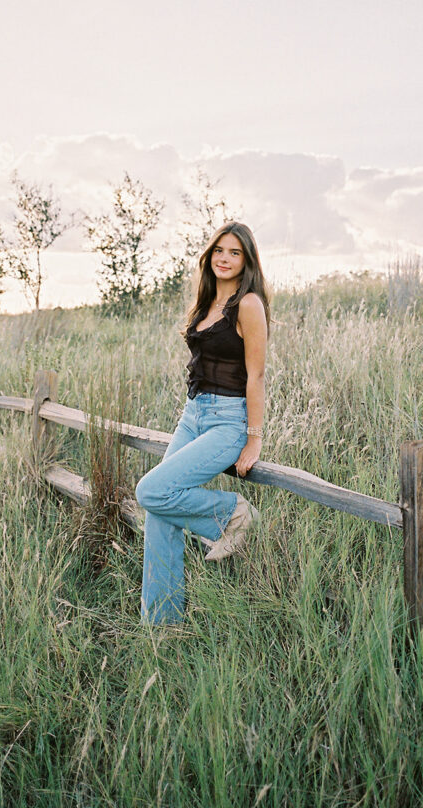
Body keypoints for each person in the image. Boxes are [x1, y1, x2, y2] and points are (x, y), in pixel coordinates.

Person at [135, 221, 270, 625]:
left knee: (151, 490)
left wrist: (253, 440)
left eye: (234, 253)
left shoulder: (248, 304)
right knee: (159, 513)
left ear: (246, 261)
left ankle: (234, 513)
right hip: (192, 414)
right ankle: (161, 626)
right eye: (219, 251)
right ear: (209, 256)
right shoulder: (207, 301)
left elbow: (257, 375)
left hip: (227, 421)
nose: (224, 259)